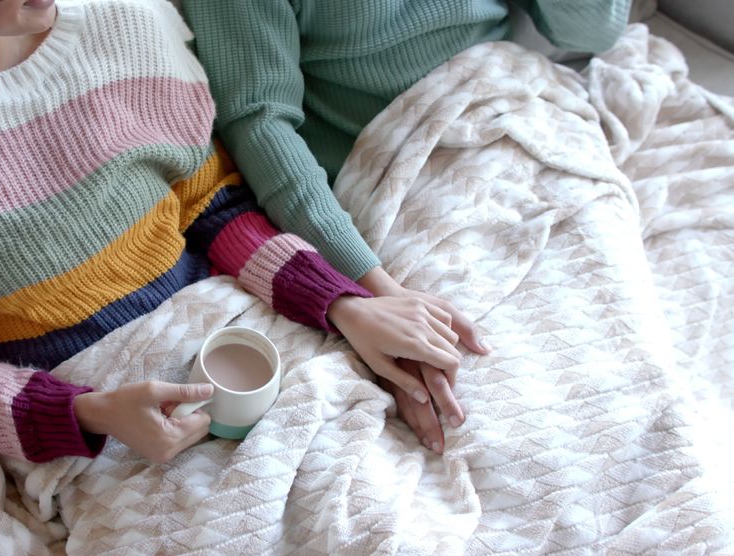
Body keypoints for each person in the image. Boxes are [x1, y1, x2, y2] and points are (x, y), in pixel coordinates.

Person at [0, 0, 469, 465]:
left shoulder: (130, 25)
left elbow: (214, 210)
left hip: (234, 337)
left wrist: (346, 304)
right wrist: (90, 415)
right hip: (82, 426)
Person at [182, 0, 630, 448]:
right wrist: (376, 288)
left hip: (515, 105)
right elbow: (260, 122)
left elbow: (595, 33)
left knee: (615, 345)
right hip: (393, 163)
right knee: (471, 392)